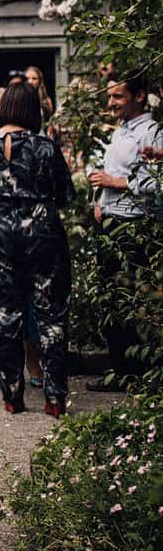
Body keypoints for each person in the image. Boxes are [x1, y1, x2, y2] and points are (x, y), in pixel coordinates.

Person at [0, 83, 75, 416]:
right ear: (32, 111)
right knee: (52, 315)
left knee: (5, 313)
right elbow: (66, 194)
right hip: (43, 233)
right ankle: (54, 398)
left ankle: (12, 395)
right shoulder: (45, 147)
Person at [86, 74, 162, 389]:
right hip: (111, 221)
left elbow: (158, 183)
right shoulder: (120, 132)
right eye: (111, 97)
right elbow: (111, 173)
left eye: (118, 97)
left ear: (139, 97)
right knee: (111, 300)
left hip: (136, 225)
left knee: (132, 300)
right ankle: (120, 372)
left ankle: (137, 375)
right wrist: (99, 201)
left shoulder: (153, 132)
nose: (112, 103)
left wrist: (115, 184)